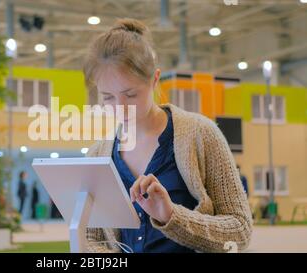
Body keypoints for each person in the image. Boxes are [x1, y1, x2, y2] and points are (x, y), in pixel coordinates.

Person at [83, 18, 252, 253]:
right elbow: (90, 240)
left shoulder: (201, 135)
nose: (120, 107)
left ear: (154, 79)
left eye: (130, 94)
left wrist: (171, 215)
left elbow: (240, 231)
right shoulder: (96, 156)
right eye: (108, 97)